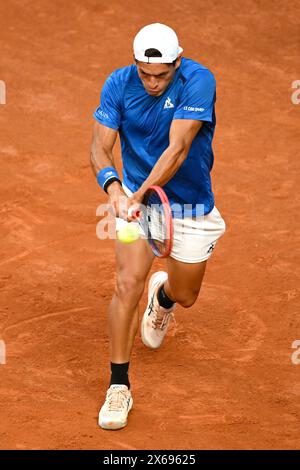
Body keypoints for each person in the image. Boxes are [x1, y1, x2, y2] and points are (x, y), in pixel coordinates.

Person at [90, 23, 226, 430]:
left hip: (187, 206)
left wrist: (141, 194)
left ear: (177, 63)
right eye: (144, 73)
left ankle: (163, 298)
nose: (152, 82)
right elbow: (100, 145)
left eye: (161, 75)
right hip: (136, 198)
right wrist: (115, 189)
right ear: (135, 64)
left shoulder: (198, 81)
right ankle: (119, 386)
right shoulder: (118, 84)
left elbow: (178, 148)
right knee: (125, 284)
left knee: (186, 294)